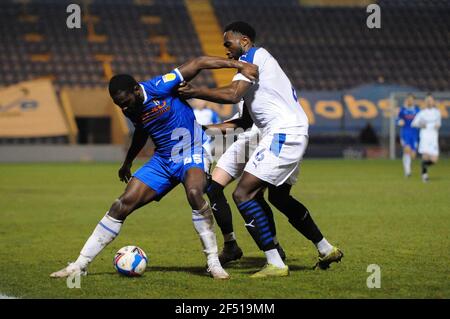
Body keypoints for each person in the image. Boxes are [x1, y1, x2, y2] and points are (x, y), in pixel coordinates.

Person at [50, 56, 258, 280]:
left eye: (125, 101)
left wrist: (239, 65)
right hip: (163, 159)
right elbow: (142, 130)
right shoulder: (129, 107)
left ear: (136, 90)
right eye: (118, 104)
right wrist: (128, 161)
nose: (123, 106)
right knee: (121, 205)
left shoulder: (161, 85)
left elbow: (198, 62)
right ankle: (80, 265)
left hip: (192, 150)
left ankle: (213, 262)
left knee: (195, 193)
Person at [178, 21, 343, 278]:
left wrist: (194, 90)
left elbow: (233, 94)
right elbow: (243, 122)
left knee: (244, 194)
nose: (226, 50)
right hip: (276, 133)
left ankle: (275, 262)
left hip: (282, 133)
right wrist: (204, 128)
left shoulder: (254, 58)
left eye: (228, 43)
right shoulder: (252, 72)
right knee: (277, 197)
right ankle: (325, 248)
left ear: (244, 41)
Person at [206, 102, 286, 265]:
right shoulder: (243, 80)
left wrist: (195, 92)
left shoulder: (265, 80)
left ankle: (274, 247)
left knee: (255, 195)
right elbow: (244, 115)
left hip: (267, 137)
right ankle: (230, 245)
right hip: (246, 138)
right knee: (213, 187)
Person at [411, 93, 441, 182]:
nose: (429, 102)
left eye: (430, 100)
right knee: (425, 157)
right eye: (427, 100)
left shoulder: (437, 112)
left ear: (433, 102)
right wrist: (421, 124)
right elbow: (413, 123)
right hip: (424, 137)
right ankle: (424, 175)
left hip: (433, 138)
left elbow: (439, 123)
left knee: (434, 160)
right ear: (425, 102)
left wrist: (437, 125)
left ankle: (423, 167)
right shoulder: (421, 113)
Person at [397, 94, 420, 177]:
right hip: (405, 133)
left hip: (414, 134)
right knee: (407, 150)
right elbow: (398, 119)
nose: (410, 101)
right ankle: (407, 171)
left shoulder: (417, 110)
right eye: (408, 99)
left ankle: (408, 167)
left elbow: (421, 120)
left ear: (414, 101)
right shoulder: (403, 110)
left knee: (413, 155)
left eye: (411, 99)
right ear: (406, 100)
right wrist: (400, 121)